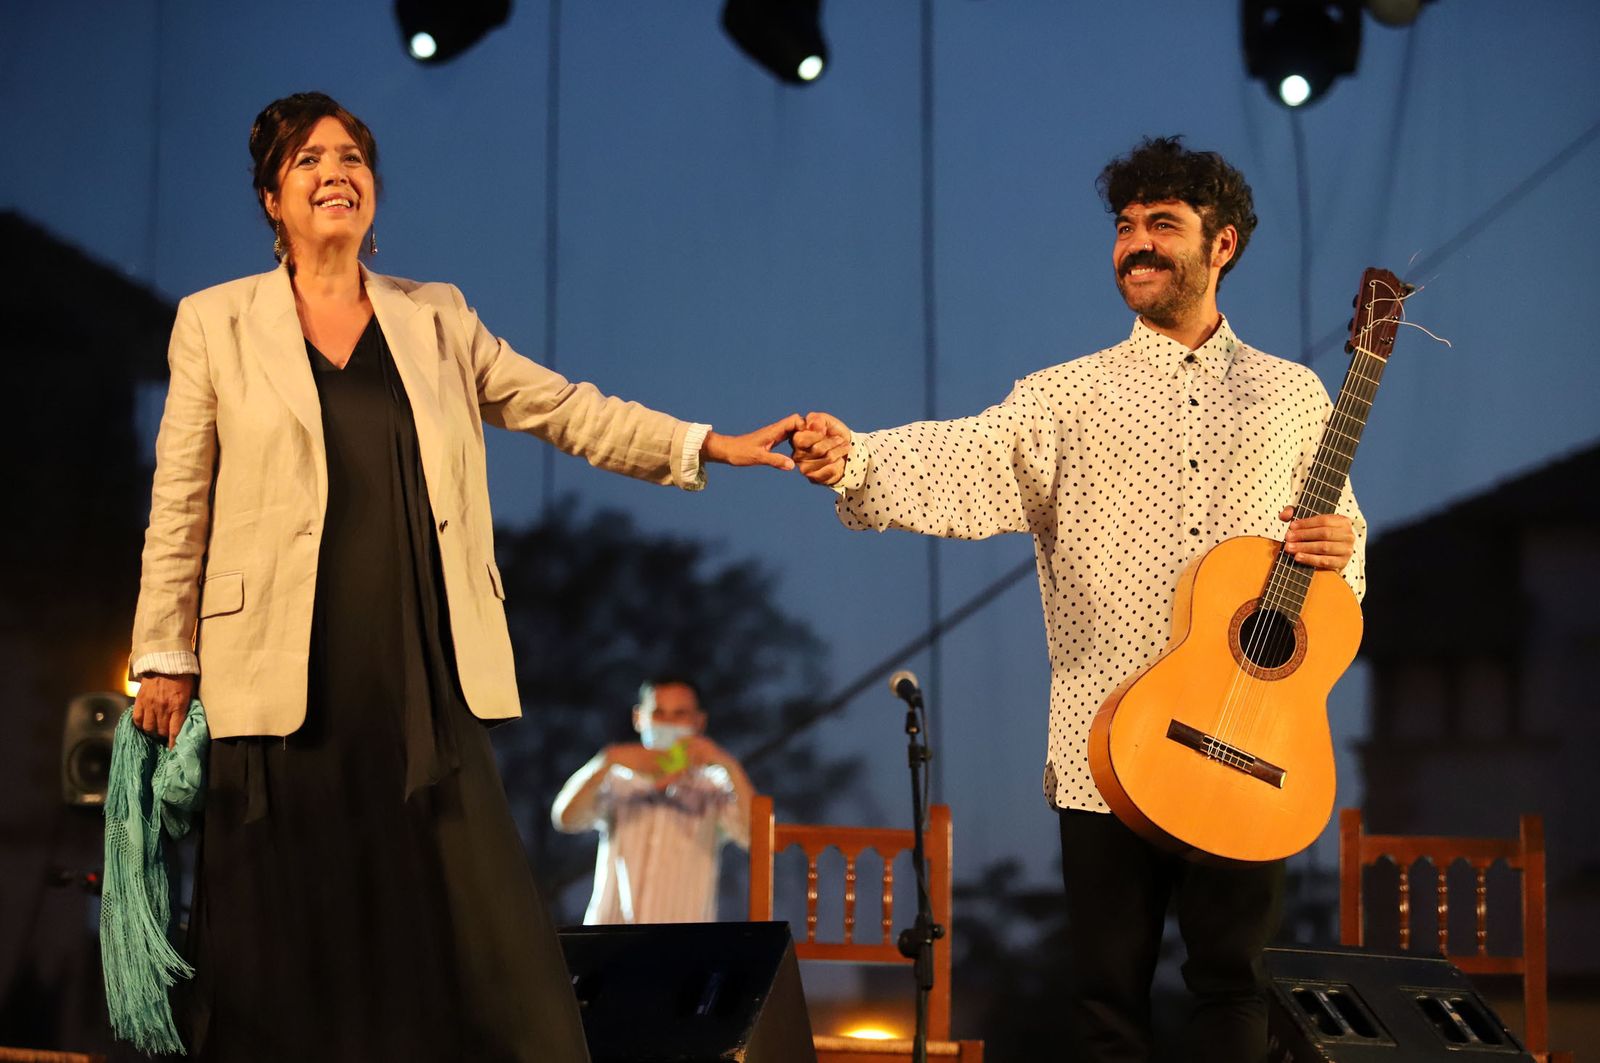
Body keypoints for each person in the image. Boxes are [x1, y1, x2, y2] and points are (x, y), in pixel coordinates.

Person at [126, 92, 799, 1063]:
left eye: (352, 156)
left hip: (416, 673)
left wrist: (707, 445)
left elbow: (565, 409)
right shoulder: (215, 323)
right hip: (275, 671)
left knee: (474, 937)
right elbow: (179, 500)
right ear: (273, 197)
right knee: (287, 943)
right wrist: (163, 651)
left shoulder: (434, 317)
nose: (335, 172)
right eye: (309, 159)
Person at [790, 136, 1366, 1062]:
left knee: (1236, 988)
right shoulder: (1068, 395)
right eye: (1126, 225)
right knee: (1106, 1003)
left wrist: (1344, 550)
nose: (1136, 243)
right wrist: (856, 456)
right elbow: (969, 459)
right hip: (1110, 743)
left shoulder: (1295, 396)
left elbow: (1339, 553)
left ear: (1222, 246)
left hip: (1250, 745)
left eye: (1163, 225)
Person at [552, 676, 753, 924]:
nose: (668, 723)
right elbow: (565, 818)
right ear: (638, 718)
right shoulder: (617, 780)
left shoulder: (714, 786)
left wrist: (727, 764)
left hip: (681, 946)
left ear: (699, 722)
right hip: (609, 943)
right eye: (658, 712)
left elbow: (756, 837)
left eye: (680, 714)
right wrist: (605, 761)